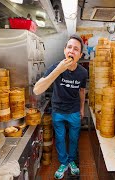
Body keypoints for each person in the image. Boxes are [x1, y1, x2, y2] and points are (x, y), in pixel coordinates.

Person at [33, 34, 88, 179]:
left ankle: (71, 162)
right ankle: (63, 163)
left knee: (74, 138)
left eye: (76, 49)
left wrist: (82, 108)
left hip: (74, 110)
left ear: (80, 55)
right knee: (60, 138)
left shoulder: (83, 72)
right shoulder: (55, 67)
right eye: (69, 47)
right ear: (64, 50)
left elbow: (82, 91)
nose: (72, 51)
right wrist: (58, 70)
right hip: (58, 110)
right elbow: (37, 90)